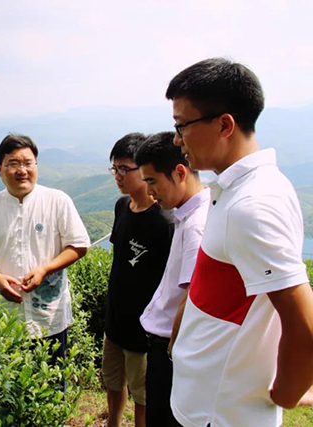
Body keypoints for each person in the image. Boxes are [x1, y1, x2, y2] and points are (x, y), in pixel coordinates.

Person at [167, 58, 313, 427]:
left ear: (225, 124)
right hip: (208, 403)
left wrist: (284, 395)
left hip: (220, 414)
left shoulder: (251, 206)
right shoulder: (237, 188)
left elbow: (305, 327)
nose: (175, 138)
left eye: (181, 125)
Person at [0, 133, 89, 365]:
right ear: (0, 169)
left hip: (50, 315)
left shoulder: (57, 201)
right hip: (4, 316)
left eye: (27, 163)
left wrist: (45, 269)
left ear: (36, 166)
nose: (22, 170)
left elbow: (78, 245)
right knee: (6, 385)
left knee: (51, 385)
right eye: (13, 164)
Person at [134, 131, 209, 427]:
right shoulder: (188, 215)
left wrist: (171, 350)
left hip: (171, 351)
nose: (150, 191)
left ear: (179, 173)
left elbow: (194, 296)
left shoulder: (196, 225)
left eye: (152, 181)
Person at [103, 132, 174, 427]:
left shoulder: (163, 220)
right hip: (115, 321)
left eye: (125, 169)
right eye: (115, 168)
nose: (118, 176)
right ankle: (113, 423)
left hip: (144, 329)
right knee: (112, 381)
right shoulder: (122, 207)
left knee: (143, 394)